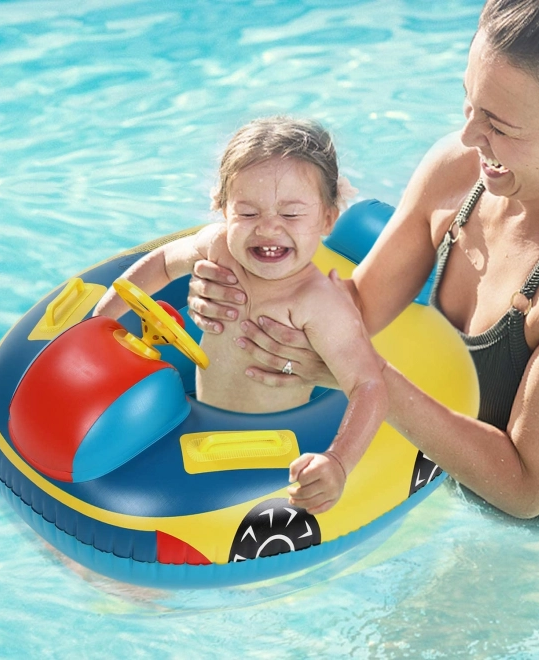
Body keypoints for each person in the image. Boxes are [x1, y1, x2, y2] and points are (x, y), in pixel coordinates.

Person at [184, 0, 539, 521]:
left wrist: (367, 376)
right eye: (468, 105)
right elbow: (359, 309)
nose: (468, 137)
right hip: (417, 491)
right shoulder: (459, 172)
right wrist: (240, 286)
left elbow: (528, 490)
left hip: (518, 546)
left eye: (500, 127)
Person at [94, 116, 388, 515]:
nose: (268, 228)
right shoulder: (217, 249)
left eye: (291, 214)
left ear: (328, 219)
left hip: (269, 445)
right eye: (248, 213)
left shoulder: (319, 304)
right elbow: (162, 262)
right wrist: (102, 319)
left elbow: (368, 385)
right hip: (198, 418)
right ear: (222, 208)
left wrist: (338, 461)